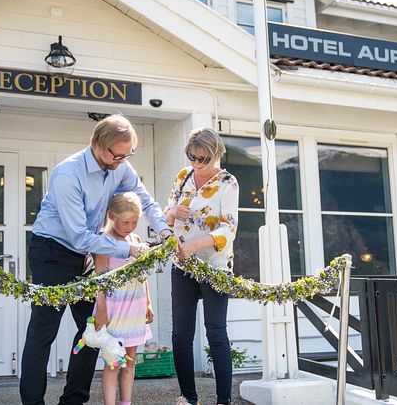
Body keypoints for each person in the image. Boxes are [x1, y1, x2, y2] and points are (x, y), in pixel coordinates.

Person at [20, 114, 172, 405]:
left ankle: (73, 400)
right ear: (100, 146)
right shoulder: (68, 174)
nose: (123, 160)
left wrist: (163, 228)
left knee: (94, 328)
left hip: (85, 253)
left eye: (129, 154)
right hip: (52, 251)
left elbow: (144, 198)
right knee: (44, 330)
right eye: (119, 154)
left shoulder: (120, 165)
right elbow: (78, 236)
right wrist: (130, 250)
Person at [165, 128, 239, 405]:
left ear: (216, 155)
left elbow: (228, 228)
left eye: (202, 159)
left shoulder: (227, 183)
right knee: (180, 334)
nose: (196, 163)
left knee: (216, 332)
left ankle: (223, 400)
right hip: (182, 265)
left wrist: (194, 246)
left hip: (215, 266)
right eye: (191, 156)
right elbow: (166, 214)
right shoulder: (182, 177)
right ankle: (188, 398)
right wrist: (172, 212)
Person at [92, 192, 154, 405]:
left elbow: (141, 275)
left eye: (134, 222)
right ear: (111, 215)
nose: (129, 227)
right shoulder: (104, 242)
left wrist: (148, 303)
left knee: (129, 362)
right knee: (113, 363)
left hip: (135, 309)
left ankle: (126, 403)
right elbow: (99, 279)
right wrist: (101, 310)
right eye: (125, 222)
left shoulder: (136, 241)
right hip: (114, 311)